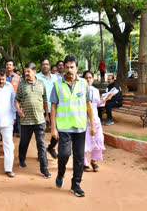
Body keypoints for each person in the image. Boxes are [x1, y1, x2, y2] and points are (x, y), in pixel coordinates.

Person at [50, 54, 96, 197]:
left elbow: (89, 106)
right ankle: (61, 173)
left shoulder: (83, 84)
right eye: (67, 67)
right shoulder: (57, 84)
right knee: (64, 154)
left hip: (80, 126)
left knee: (78, 157)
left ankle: (76, 184)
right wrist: (53, 128)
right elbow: (53, 107)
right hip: (63, 126)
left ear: (77, 69)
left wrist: (92, 125)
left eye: (72, 67)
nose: (69, 70)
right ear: (63, 68)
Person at [15, 62, 51, 178]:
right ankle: (21, 160)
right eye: (25, 71)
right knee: (24, 143)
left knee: (41, 144)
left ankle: (44, 168)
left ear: (35, 72)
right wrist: (18, 110)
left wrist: (46, 115)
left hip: (39, 119)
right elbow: (17, 100)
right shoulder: (22, 85)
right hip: (25, 120)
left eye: (28, 71)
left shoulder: (41, 83)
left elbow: (45, 100)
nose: (26, 73)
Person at [83, 71, 112, 172]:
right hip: (84, 120)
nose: (88, 80)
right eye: (86, 78)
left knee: (99, 139)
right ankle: (84, 163)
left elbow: (98, 104)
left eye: (90, 77)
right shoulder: (80, 91)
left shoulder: (95, 90)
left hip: (95, 119)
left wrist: (105, 99)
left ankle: (94, 161)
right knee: (85, 142)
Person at [35, 58, 58, 159]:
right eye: (43, 64)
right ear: (40, 66)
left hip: (54, 109)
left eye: (47, 64)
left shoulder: (55, 78)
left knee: (58, 131)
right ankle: (41, 154)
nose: (45, 66)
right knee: (41, 133)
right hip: (40, 110)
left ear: (49, 66)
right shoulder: (36, 77)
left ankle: (51, 147)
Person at [6, 59, 21, 137]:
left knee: (17, 117)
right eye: (7, 64)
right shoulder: (2, 76)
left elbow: (21, 89)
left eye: (10, 65)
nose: (8, 66)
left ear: (14, 67)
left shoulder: (18, 77)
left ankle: (18, 132)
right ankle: (7, 134)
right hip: (5, 102)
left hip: (16, 101)